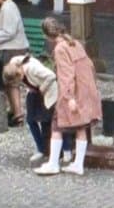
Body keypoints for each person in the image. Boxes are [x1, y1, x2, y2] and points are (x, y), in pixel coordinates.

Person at [34, 18, 101, 176]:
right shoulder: (75, 43)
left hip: (73, 92)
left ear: (47, 36)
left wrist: (69, 97)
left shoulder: (60, 49)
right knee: (80, 126)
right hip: (86, 89)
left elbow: (66, 75)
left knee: (57, 125)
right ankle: (78, 164)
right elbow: (90, 66)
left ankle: (53, 163)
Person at [3, 54, 75, 169]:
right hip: (34, 91)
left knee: (57, 121)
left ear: (19, 72)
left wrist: (42, 88)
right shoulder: (13, 65)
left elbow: (51, 76)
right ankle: (41, 149)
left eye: (19, 78)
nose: (19, 81)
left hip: (49, 91)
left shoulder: (32, 68)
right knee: (31, 120)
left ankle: (66, 150)